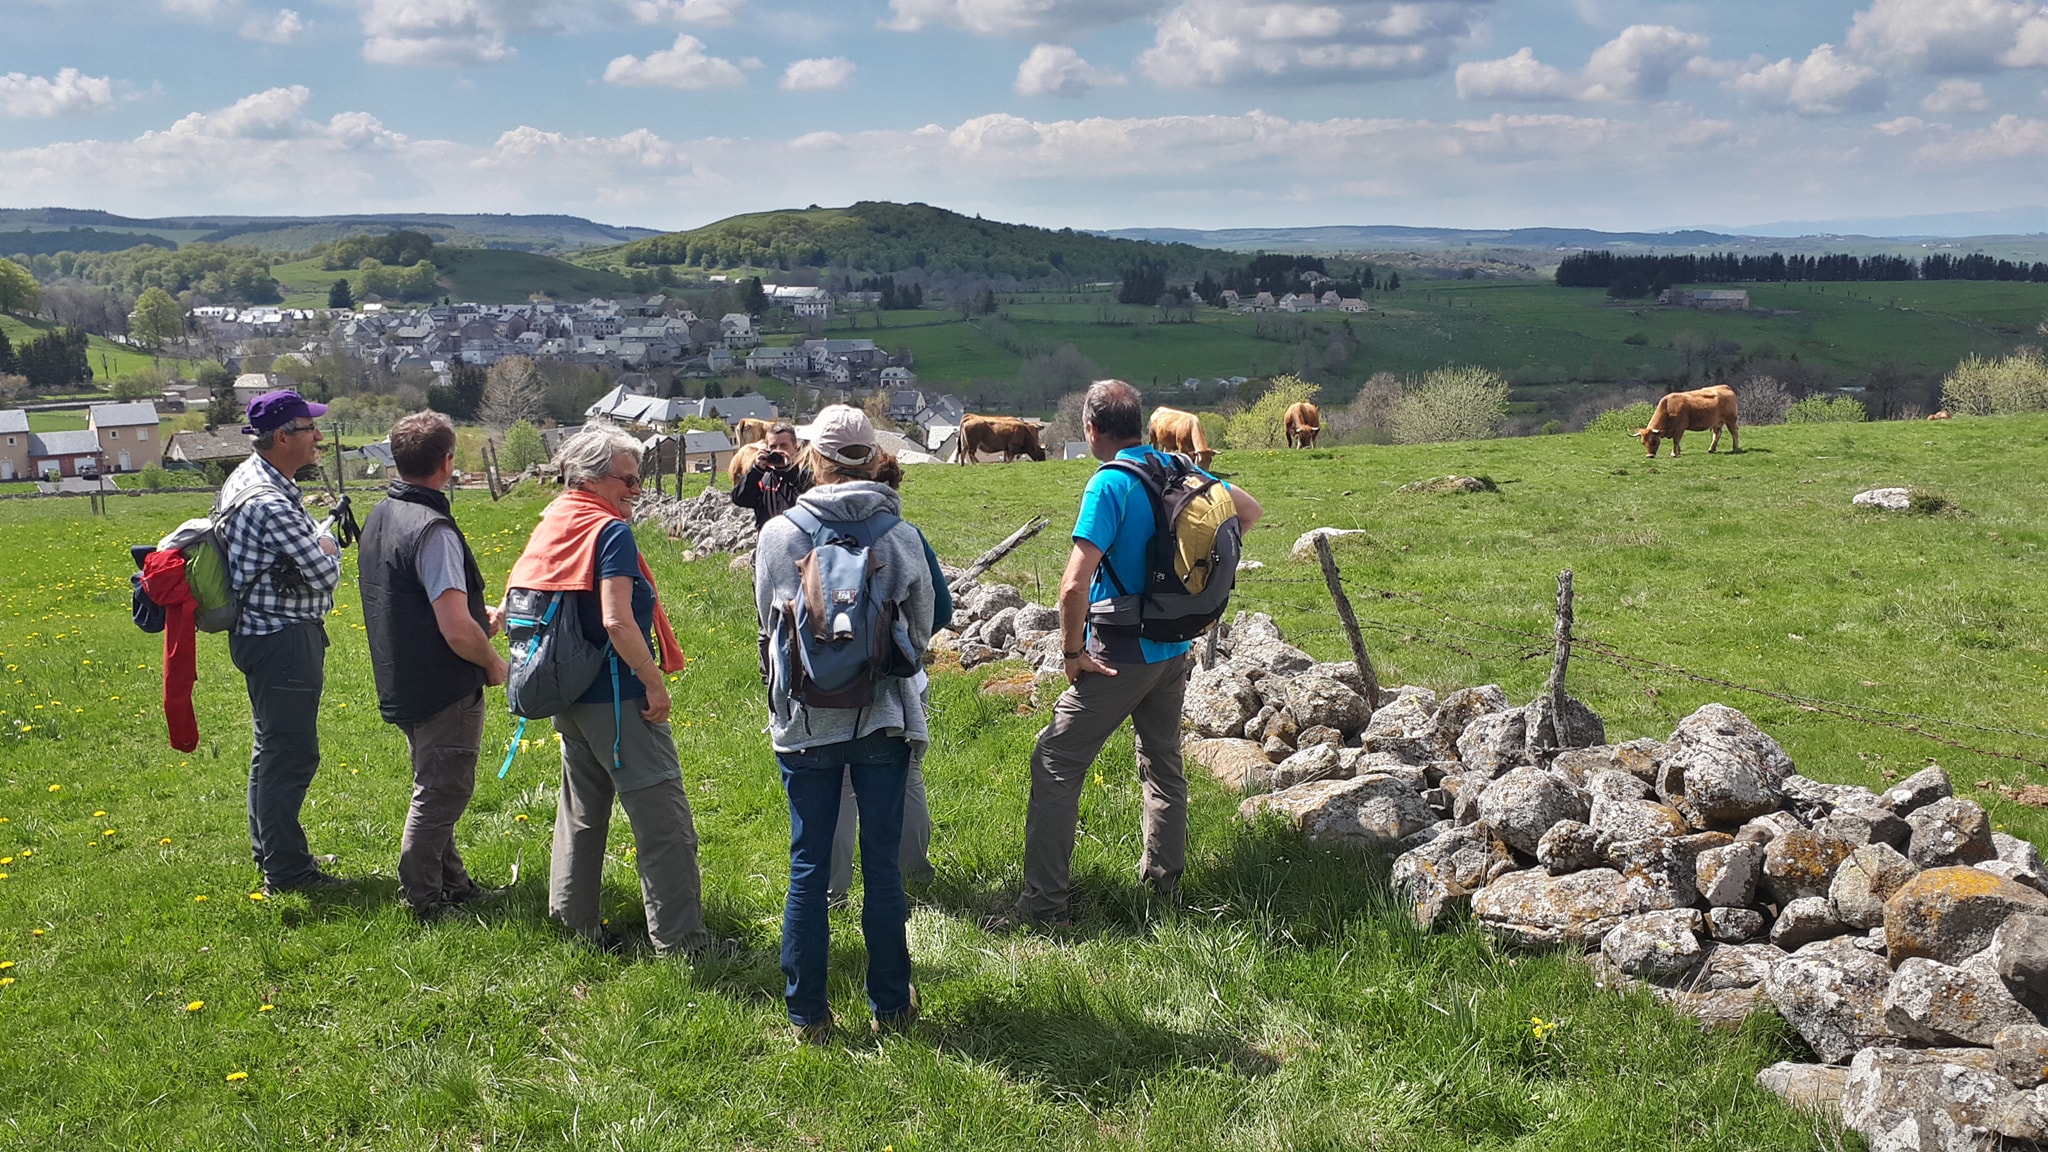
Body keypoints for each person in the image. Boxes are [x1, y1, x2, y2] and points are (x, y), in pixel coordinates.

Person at [1000, 379, 1262, 927]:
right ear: (1141, 425)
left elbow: (1074, 586)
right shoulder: (1180, 469)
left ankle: (1044, 908)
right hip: (1174, 646)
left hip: (1119, 653)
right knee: (1163, 764)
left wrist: (1073, 653)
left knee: (1055, 761)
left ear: (1090, 428)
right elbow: (1248, 509)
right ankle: (1162, 889)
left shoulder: (1111, 483)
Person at [755, 405, 936, 1043]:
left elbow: (767, 628)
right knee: (881, 866)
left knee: (808, 864)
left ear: (814, 457)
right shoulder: (900, 534)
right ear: (872, 456)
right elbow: (922, 625)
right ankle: (891, 1004)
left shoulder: (780, 534)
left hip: (804, 723)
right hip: (882, 717)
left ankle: (808, 1014)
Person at [505, 427, 711, 956]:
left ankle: (574, 927)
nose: (637, 490)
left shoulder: (556, 519)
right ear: (593, 478)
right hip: (617, 704)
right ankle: (682, 943)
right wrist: (653, 682)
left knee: (581, 812)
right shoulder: (608, 532)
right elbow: (618, 622)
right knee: (663, 821)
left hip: (566, 696)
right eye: (628, 479)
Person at [356, 412, 509, 920]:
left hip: (402, 674)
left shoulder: (381, 514)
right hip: (443, 682)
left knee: (435, 781)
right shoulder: (432, 529)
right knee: (443, 790)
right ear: (447, 463)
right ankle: (423, 899)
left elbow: (409, 599)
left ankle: (454, 884)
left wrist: (474, 620)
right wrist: (490, 660)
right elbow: (455, 630)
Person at [219, 389, 346, 895]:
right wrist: (327, 543)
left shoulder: (251, 479)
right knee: (289, 754)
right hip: (281, 639)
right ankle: (288, 874)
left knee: (271, 749)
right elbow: (324, 574)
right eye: (308, 428)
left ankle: (276, 854)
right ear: (281, 437)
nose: (318, 437)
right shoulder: (270, 501)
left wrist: (315, 542)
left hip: (264, 635)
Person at [824, 454, 950, 905]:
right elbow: (942, 609)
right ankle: (912, 876)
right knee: (906, 775)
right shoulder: (905, 536)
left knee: (837, 785)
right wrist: (907, 651)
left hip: (822, 684)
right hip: (896, 681)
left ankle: (832, 890)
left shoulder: (799, 531)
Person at [730, 422, 811, 529]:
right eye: (773, 446)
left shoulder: (807, 478)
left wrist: (789, 471)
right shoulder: (763, 479)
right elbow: (740, 499)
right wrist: (757, 470)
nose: (778, 450)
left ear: (796, 448)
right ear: (767, 449)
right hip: (768, 542)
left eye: (784, 446)